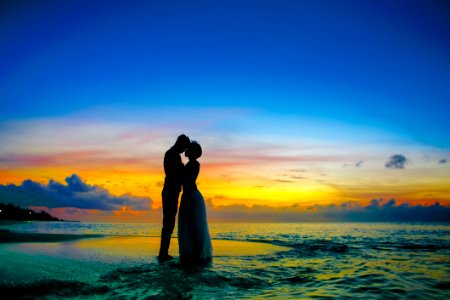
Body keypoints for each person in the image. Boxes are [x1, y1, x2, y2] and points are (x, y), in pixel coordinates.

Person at [178, 141, 212, 265]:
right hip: (188, 195)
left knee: (195, 224)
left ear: (195, 153)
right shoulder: (189, 164)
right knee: (189, 224)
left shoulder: (194, 164)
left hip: (192, 196)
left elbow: (188, 180)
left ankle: (197, 252)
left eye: (190, 149)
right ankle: (191, 252)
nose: (187, 150)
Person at [158, 134, 191, 262]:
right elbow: (173, 174)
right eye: (184, 148)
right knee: (168, 222)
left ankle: (163, 252)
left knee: (169, 222)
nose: (184, 151)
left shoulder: (173, 154)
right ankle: (163, 253)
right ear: (180, 144)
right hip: (170, 191)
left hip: (172, 191)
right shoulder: (171, 154)